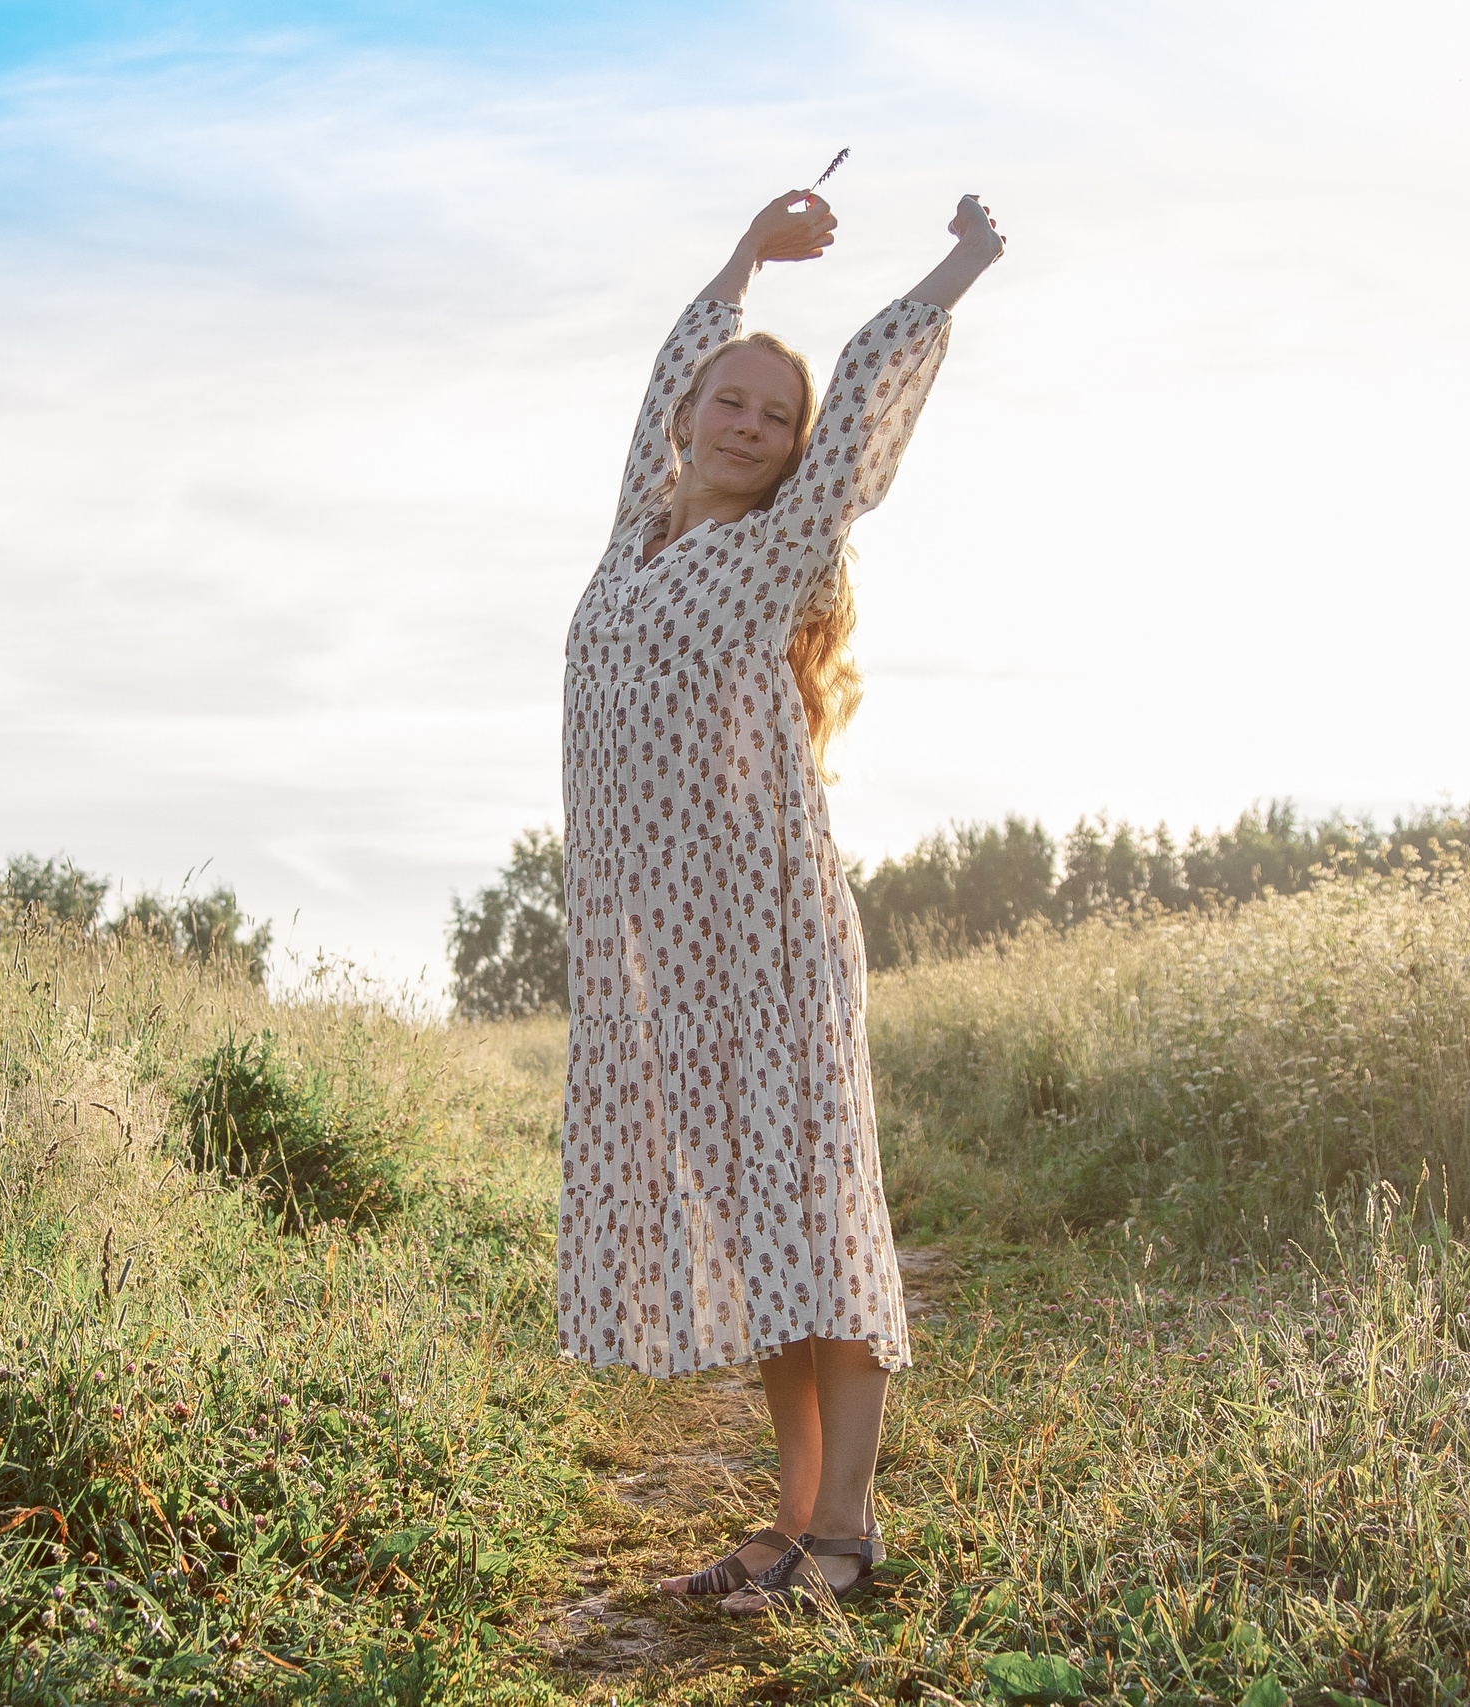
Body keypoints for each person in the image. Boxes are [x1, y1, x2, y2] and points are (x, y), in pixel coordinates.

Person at [555, 186, 1005, 1613]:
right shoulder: (635, 530)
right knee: (758, 1236)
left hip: (773, 939)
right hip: (664, 957)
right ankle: (792, 1517)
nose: (747, 424)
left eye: (773, 417)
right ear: (687, 420)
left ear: (798, 456)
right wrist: (745, 261)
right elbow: (677, 355)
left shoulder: (781, 549)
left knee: (817, 1221)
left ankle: (848, 1530)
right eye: (729, 402)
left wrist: (959, 267)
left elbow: (867, 386)